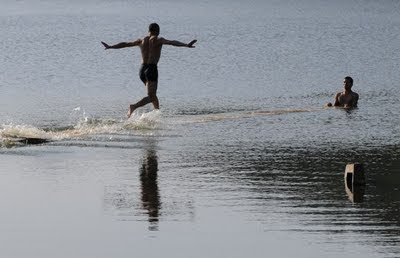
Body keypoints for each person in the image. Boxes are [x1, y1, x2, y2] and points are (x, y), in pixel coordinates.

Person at [101, 23, 197, 118]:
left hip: (142, 70)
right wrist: (186, 45)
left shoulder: (141, 41)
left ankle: (158, 114)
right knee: (151, 96)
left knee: (153, 95)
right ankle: (133, 106)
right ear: (156, 31)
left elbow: (126, 44)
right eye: (158, 31)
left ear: (149, 31)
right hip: (151, 69)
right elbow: (172, 42)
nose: (159, 32)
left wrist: (111, 46)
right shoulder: (158, 40)